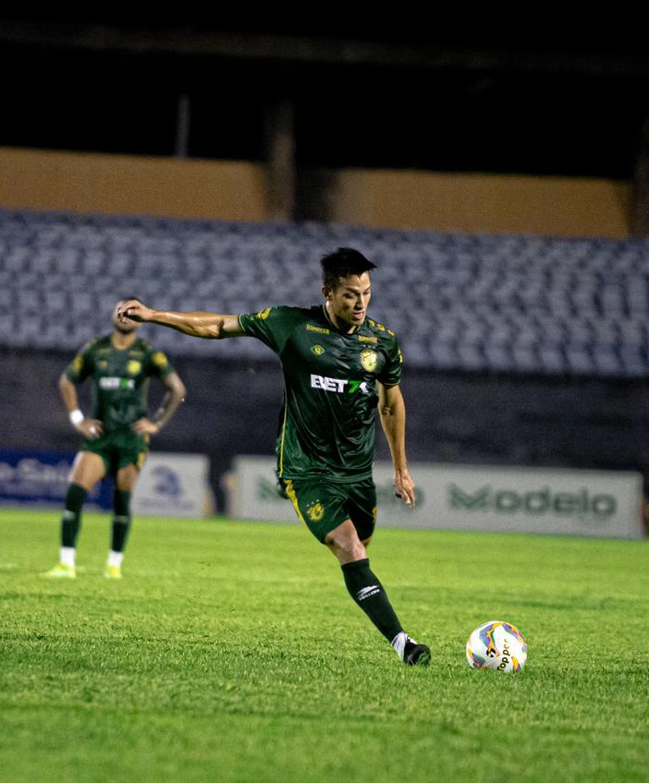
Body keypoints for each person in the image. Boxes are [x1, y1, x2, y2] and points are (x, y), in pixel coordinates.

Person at [119, 247, 431, 666]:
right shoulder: (291, 325)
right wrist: (155, 315)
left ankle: (367, 596)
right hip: (305, 468)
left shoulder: (383, 343)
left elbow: (390, 404)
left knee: (360, 554)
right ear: (328, 292)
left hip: (356, 473)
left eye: (367, 293)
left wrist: (401, 469)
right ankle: (404, 644)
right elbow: (217, 326)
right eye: (350, 295)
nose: (360, 304)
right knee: (350, 548)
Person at [42, 297, 186, 580]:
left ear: (141, 318)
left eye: (132, 310)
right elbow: (66, 380)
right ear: (112, 314)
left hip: (132, 438)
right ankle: (66, 564)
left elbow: (176, 388)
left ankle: (113, 565)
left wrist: (156, 423)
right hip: (101, 436)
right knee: (74, 493)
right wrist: (77, 419)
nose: (125, 314)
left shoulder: (147, 353)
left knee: (122, 500)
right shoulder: (96, 349)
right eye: (120, 309)